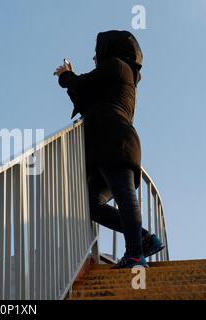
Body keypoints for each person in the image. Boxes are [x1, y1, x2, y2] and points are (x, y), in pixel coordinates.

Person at [53, 30, 165, 269]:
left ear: (108, 51)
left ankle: (135, 255)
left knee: (124, 194)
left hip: (114, 141)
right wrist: (70, 80)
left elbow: (82, 85)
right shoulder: (119, 75)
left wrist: (66, 76)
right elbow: (86, 98)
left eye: (96, 53)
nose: (94, 59)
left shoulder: (117, 65)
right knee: (91, 203)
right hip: (107, 144)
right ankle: (144, 239)